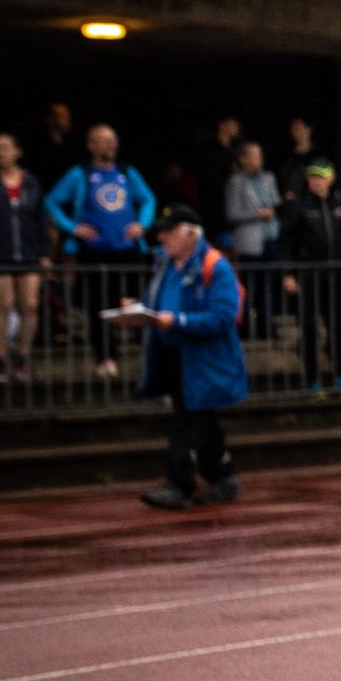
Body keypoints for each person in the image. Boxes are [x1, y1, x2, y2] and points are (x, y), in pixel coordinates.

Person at [128, 203, 247, 510]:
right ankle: (223, 478)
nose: (162, 238)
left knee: (189, 421)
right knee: (200, 419)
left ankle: (179, 484)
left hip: (205, 361)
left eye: (169, 232)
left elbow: (223, 316)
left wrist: (178, 321)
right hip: (177, 357)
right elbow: (155, 302)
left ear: (191, 233)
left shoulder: (215, 266)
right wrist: (137, 309)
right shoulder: (166, 266)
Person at [45, 123, 156, 380]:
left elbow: (148, 199)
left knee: (134, 302)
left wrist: (142, 224)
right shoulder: (80, 174)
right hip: (93, 251)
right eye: (103, 141)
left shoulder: (127, 172)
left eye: (112, 140)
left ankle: (147, 357)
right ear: (91, 145)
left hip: (127, 250)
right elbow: (51, 202)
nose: (109, 145)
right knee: (99, 305)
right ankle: (106, 357)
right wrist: (72, 227)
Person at [0, 132, 48, 381]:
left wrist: (45, 252)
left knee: (30, 305)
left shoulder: (32, 183)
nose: (1, 152)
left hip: (29, 251)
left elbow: (40, 219)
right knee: (4, 304)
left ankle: (23, 357)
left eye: (6, 147)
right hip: (0, 251)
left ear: (17, 151)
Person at [284, 163, 341, 395]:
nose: (316, 181)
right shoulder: (300, 206)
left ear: (331, 178)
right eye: (312, 177)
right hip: (309, 278)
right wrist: (289, 273)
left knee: (338, 328)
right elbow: (288, 241)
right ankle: (312, 380)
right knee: (308, 329)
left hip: (336, 277)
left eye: (321, 177)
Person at [222, 140, 281, 339]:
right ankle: (246, 326)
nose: (258, 159)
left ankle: (267, 325)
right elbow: (232, 214)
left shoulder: (268, 178)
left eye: (260, 155)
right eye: (254, 156)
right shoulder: (236, 181)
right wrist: (257, 213)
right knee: (250, 285)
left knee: (269, 284)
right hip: (249, 241)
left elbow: (276, 202)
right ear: (243, 159)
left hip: (270, 237)